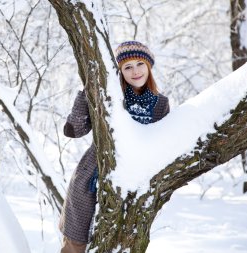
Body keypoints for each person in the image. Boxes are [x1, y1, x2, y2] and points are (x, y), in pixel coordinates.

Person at [59, 41, 170, 253]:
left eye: (140, 64)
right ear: (119, 72)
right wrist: (87, 92)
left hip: (130, 185)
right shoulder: (109, 96)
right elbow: (73, 130)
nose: (135, 71)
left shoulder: (160, 104)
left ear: (149, 66)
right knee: (75, 245)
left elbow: (161, 148)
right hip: (89, 178)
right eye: (127, 67)